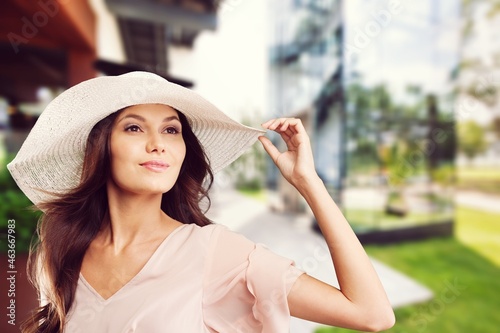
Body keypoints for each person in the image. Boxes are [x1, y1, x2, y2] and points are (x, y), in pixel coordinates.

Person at [7, 72, 395, 333]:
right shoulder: (62, 250)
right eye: (134, 127)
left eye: (171, 130)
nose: (157, 142)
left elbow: (371, 313)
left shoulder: (213, 252)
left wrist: (309, 184)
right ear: (101, 147)